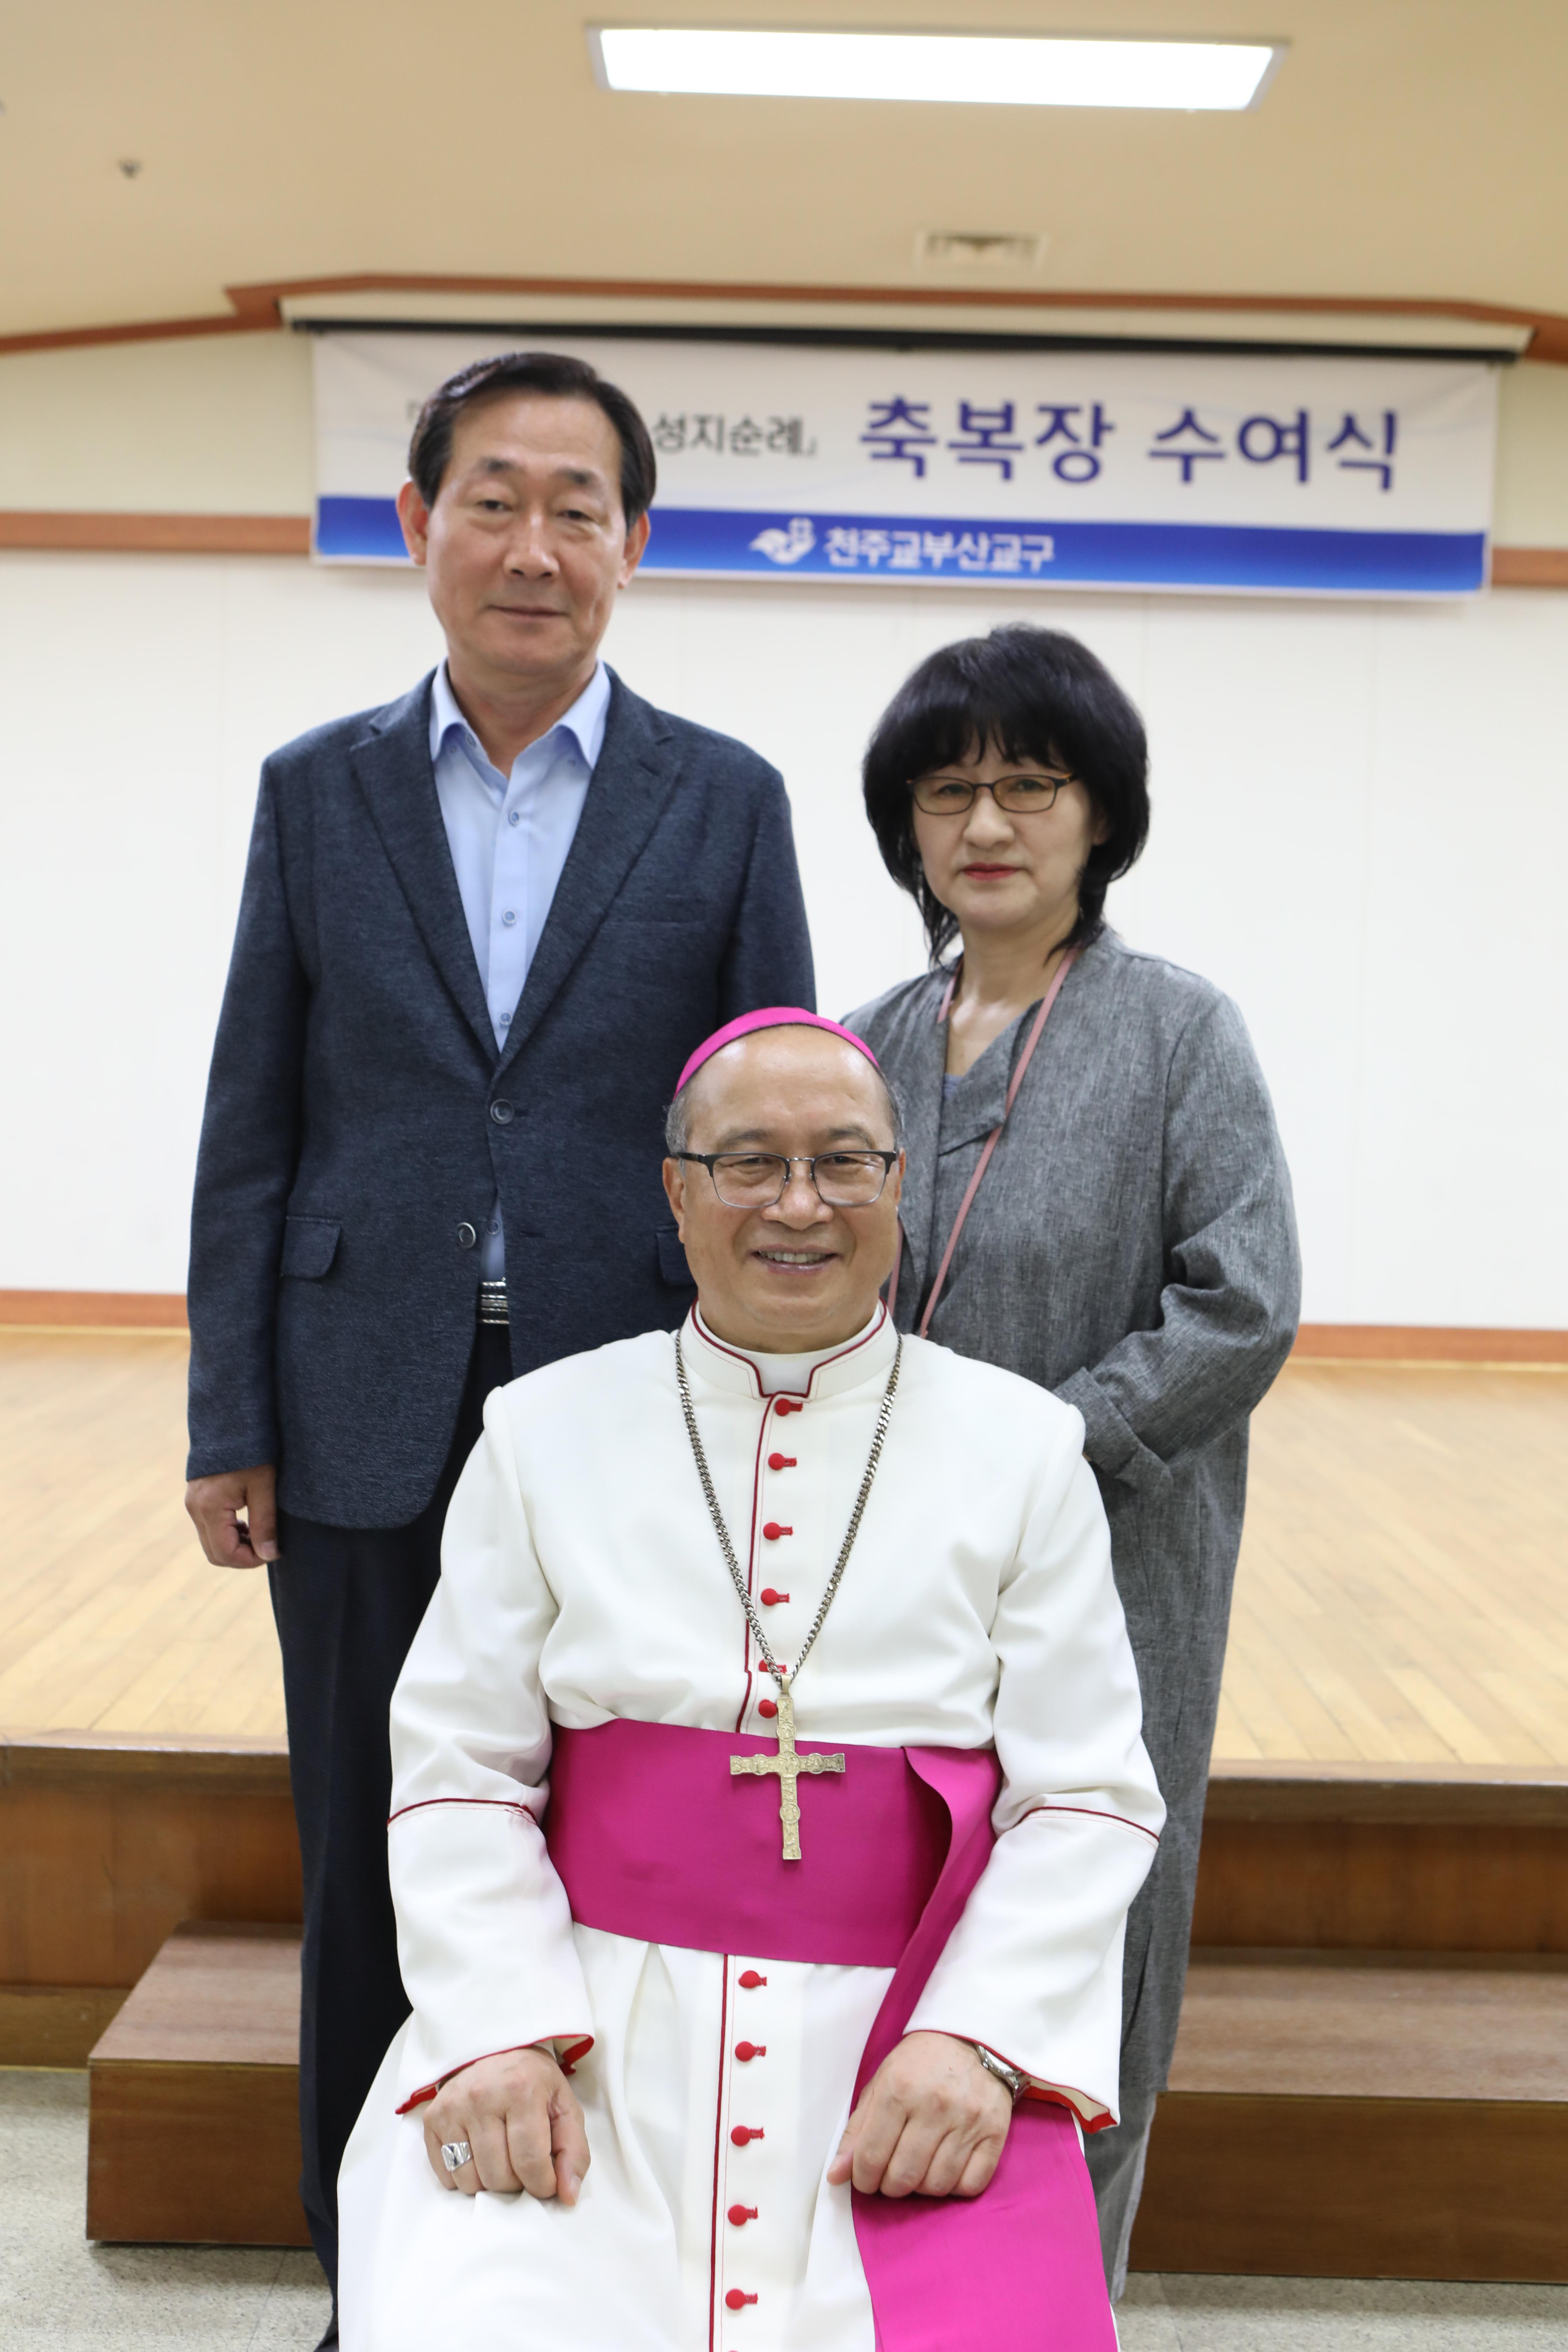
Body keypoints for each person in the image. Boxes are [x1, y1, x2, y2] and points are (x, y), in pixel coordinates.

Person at [182, 351, 814, 2335]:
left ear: (634, 544)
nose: (533, 546)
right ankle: (367, 2282)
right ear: (419, 524)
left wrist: (773, 1401)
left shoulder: (726, 801)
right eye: (493, 499)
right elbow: (254, 1121)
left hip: (635, 1408)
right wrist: (228, 1415)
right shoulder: (318, 792)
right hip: (359, 1402)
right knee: (370, 1852)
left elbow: (780, 1127)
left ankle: (589, 2285)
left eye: (576, 509)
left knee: (611, 1855)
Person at [336, 1010, 1163, 2352]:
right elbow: (459, 1767)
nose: (799, 1204)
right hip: (586, 2030)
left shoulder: (1025, 1449)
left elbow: (1087, 1798)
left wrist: (977, 2039)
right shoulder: (542, 1432)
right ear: (677, 1191)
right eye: (749, 1163)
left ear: (900, 1183)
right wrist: (496, 2027)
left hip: (905, 2038)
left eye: (844, 1162)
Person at [847, 624, 1300, 2297]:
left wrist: (1043, 1456)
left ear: (1101, 815)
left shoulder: (1179, 1032)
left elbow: (1242, 1306)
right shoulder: (860, 1042)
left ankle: (1057, 2301)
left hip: (1109, 1562)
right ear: (903, 825)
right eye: (947, 790)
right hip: (880, 1570)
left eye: (1030, 785)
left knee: (1091, 1929)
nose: (987, 824)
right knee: (890, 1925)